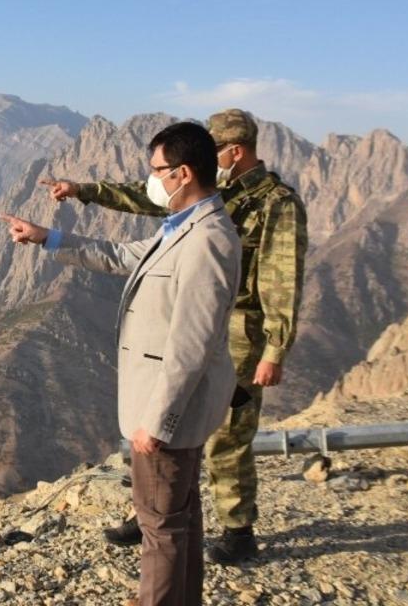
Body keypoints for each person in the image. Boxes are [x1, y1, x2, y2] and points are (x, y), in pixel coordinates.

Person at [42, 109, 308, 564]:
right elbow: (143, 198)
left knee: (226, 434)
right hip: (186, 318)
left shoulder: (275, 203)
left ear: (235, 151)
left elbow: (283, 280)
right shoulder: (208, 194)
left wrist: (274, 349)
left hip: (241, 332)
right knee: (164, 418)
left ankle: (237, 528)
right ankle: (152, 510)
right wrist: (83, 191)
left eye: (215, 149)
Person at [0, 121, 241, 606]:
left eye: (157, 170)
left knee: (159, 526)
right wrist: (48, 237)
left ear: (184, 172)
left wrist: (157, 422)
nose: (151, 180)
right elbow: (120, 255)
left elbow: (192, 345)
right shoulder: (183, 227)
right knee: (180, 517)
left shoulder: (208, 240)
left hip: (167, 413)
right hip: (168, 410)